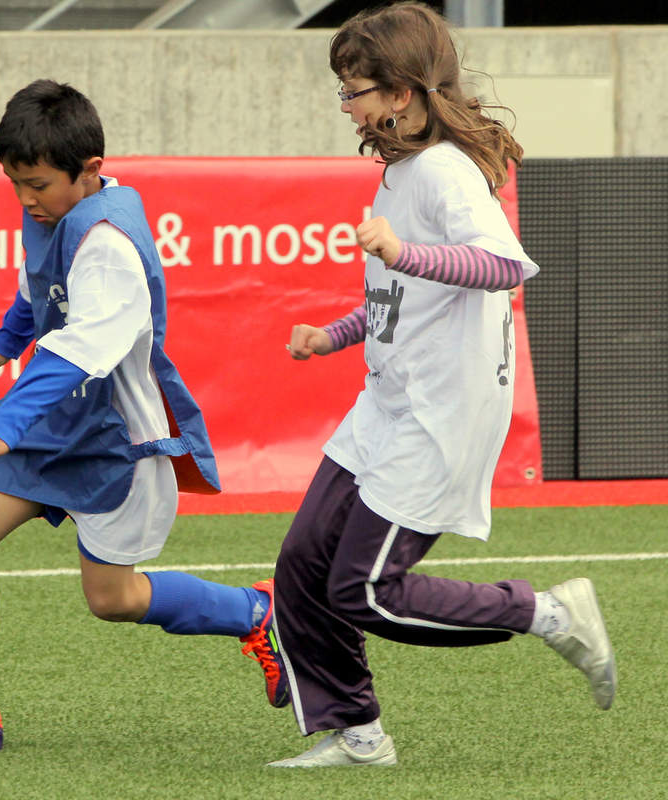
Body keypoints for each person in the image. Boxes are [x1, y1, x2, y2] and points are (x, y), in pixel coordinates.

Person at [268, 2, 616, 768]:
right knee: (301, 569)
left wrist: (401, 252)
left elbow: (503, 266)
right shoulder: (400, 173)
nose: (346, 105)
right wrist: (335, 335)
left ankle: (544, 613)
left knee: (366, 590)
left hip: (440, 416)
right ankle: (357, 734)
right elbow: (400, 297)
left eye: (354, 88)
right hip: (387, 404)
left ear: (401, 93)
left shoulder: (446, 172)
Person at [0, 79, 286, 751]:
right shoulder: (52, 216)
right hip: (55, 425)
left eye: (38, 185)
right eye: (14, 183)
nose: (25, 199)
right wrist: (0, 346)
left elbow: (82, 351)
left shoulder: (109, 244)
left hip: (114, 441)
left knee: (113, 599)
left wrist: (3, 423)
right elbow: (37, 292)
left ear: (91, 173)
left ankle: (258, 612)